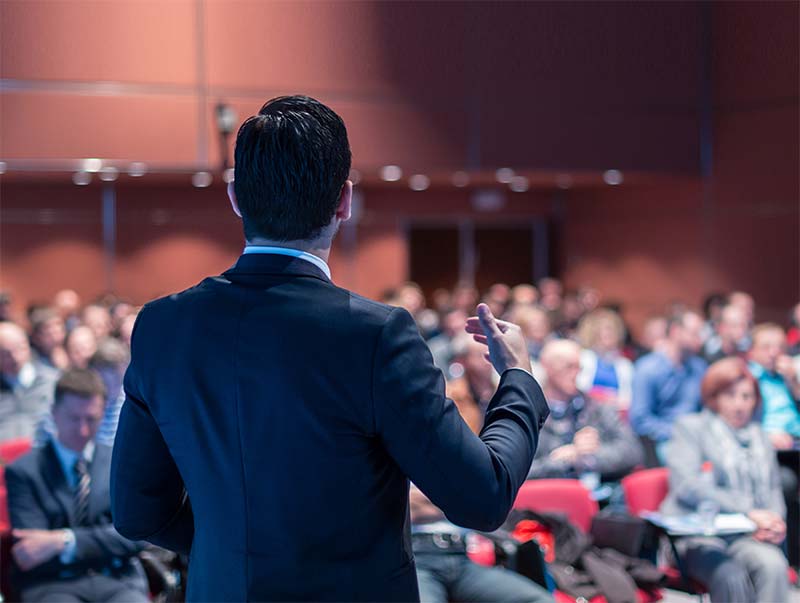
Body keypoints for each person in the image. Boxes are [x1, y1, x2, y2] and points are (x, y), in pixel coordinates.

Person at [110, 95, 549, 603]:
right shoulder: (375, 335)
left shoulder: (162, 325)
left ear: (234, 197)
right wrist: (520, 380)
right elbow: (483, 497)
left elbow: (138, 511)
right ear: (344, 201)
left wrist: (238, 553)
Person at [5, 369, 148, 602]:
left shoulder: (119, 462)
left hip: (116, 579)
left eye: (91, 419)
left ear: (103, 414)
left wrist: (62, 540)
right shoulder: (23, 471)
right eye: (74, 418)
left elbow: (136, 536)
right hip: (53, 583)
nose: (82, 430)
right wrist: (105, 539)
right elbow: (30, 550)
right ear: (53, 413)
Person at [660, 358, 789, 603]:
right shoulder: (691, 427)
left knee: (773, 565)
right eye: (730, 395)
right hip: (699, 534)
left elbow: (773, 487)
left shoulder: (759, 435)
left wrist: (774, 521)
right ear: (714, 397)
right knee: (730, 575)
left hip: (745, 535)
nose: (739, 405)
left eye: (746, 397)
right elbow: (688, 486)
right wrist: (749, 511)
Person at [410, 486, 552, 603]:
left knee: (540, 600)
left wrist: (426, 500)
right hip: (417, 562)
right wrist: (452, 500)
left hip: (462, 558)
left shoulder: (457, 459)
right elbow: (402, 505)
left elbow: (481, 505)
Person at [528, 340, 642, 481]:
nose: (575, 374)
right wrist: (561, 461)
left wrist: (588, 457)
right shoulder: (528, 413)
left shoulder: (597, 407)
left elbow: (632, 451)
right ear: (546, 366)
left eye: (579, 368)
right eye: (568, 367)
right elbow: (513, 471)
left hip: (602, 494)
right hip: (548, 497)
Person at [629, 310, 707, 463]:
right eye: (695, 333)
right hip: (664, 440)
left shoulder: (700, 368)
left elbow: (707, 410)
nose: (701, 339)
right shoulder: (648, 368)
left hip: (696, 437)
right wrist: (677, 433)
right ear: (675, 331)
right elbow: (640, 419)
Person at [0, 321, 59, 442]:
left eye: (19, 349)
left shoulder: (53, 381)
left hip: (41, 456)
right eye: (6, 354)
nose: (15, 358)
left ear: (27, 346)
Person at [747, 323, 800, 449]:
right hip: (765, 443)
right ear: (751, 351)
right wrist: (766, 437)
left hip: (795, 441)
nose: (774, 353)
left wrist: (793, 381)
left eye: (780, 347)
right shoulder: (746, 377)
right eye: (766, 347)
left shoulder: (789, 375)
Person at [575, 308, 634, 410]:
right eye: (604, 330)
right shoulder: (584, 358)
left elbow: (628, 398)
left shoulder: (625, 365)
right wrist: (604, 397)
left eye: (612, 330)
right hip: (588, 412)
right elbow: (580, 388)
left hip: (615, 415)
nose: (608, 334)